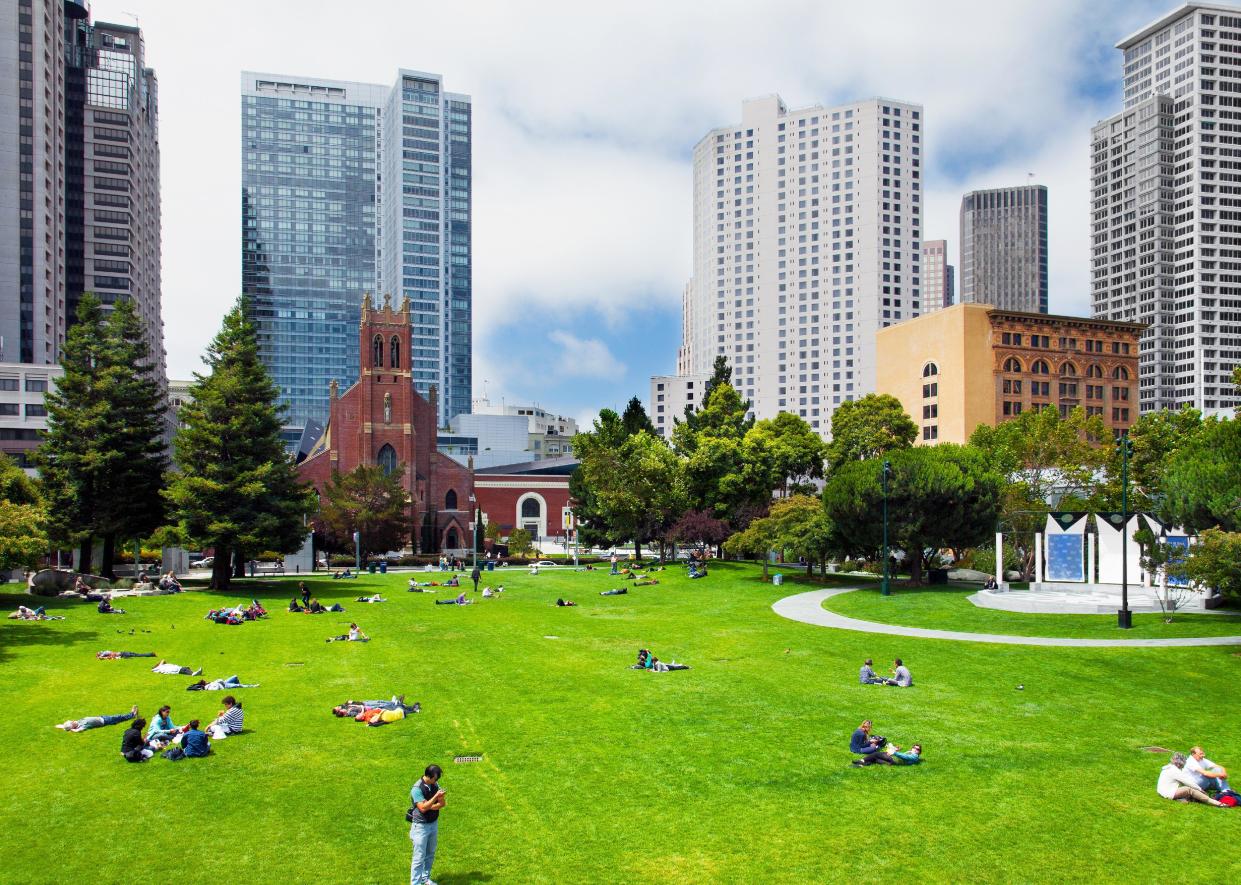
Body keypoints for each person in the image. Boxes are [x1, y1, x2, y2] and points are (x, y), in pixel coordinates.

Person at [409, 763, 446, 885]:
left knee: (430, 854)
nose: (437, 781)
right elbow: (423, 808)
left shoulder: (435, 784)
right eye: (435, 779)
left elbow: (442, 804)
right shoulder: (416, 789)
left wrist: (433, 803)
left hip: (433, 824)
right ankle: (415, 883)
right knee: (419, 857)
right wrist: (435, 797)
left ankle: (425, 879)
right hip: (420, 827)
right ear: (428, 776)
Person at [1158, 752, 1226, 806]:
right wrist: (1200, 789)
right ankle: (1216, 803)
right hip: (1168, 793)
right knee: (1189, 789)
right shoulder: (1174, 770)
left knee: (1187, 790)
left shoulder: (1168, 767)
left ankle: (1182, 799)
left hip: (1162, 792)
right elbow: (1188, 782)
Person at [55, 705, 138, 732]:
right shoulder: (83, 725)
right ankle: (132, 715)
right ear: (73, 726)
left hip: (102, 718)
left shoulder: (78, 722)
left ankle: (131, 714)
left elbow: (68, 727)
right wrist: (73, 730)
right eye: (72, 722)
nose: (73, 721)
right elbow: (79, 730)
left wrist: (63, 726)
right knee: (119, 717)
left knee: (118, 717)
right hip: (105, 721)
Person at [186, 675, 257, 691]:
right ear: (204, 684)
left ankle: (238, 687)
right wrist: (216, 682)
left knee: (235, 677)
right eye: (205, 681)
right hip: (225, 685)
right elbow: (216, 688)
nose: (207, 681)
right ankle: (253, 686)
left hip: (224, 682)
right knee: (238, 685)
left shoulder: (209, 684)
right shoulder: (208, 687)